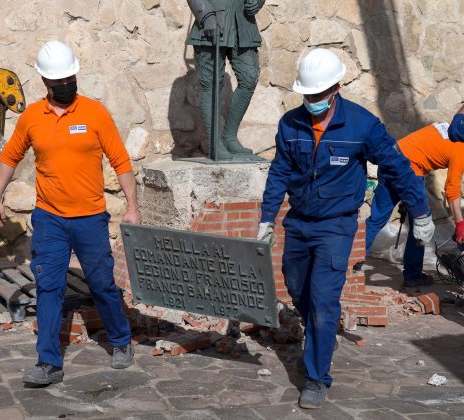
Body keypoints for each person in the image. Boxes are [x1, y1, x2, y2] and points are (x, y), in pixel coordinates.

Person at [256, 48, 434, 409]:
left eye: (319, 94)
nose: (313, 101)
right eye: (307, 95)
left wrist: (421, 213)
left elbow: (399, 168)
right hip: (299, 222)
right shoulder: (290, 124)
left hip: (337, 226)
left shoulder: (362, 125)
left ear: (336, 87)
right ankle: (322, 331)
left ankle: (317, 377)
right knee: (296, 288)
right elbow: (279, 172)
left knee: (323, 301)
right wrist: (266, 217)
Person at [0, 40, 141, 386]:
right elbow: (9, 158)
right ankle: (48, 363)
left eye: (69, 79)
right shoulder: (32, 117)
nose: (65, 86)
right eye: (57, 82)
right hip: (50, 220)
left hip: (90, 218)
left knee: (102, 283)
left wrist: (132, 207)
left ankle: (120, 341)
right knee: (49, 287)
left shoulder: (95, 112)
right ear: (45, 82)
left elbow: (120, 161)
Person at [365, 114, 464, 287]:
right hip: (408, 172)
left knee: (375, 220)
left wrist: (406, 195)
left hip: (391, 160)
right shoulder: (461, 148)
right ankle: (413, 275)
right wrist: (460, 223)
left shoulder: (446, 125)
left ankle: (347, 266)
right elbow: (452, 189)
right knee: (422, 224)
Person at [186, 0, 266, 159]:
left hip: (243, 22)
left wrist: (258, 2)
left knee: (249, 77)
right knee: (212, 84)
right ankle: (215, 144)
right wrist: (206, 13)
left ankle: (230, 137)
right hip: (212, 22)